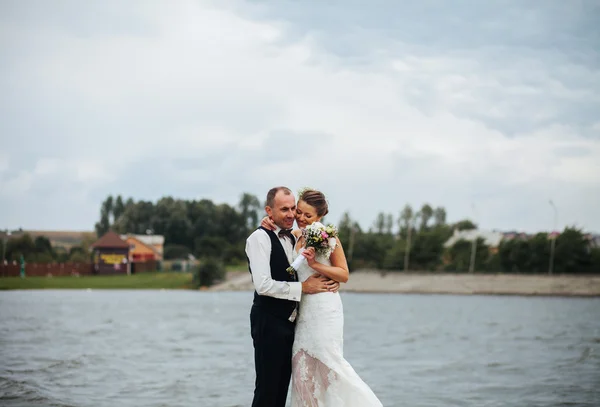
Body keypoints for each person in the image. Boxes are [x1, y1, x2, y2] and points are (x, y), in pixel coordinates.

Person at [261, 188, 383, 406]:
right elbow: (279, 231)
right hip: (304, 311)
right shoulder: (296, 236)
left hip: (325, 309)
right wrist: (267, 222)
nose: (301, 219)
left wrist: (315, 265)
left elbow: (343, 274)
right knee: (302, 373)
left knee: (329, 367)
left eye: (308, 216)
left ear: (319, 217)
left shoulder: (326, 236)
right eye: (299, 212)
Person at [245, 186, 340, 407]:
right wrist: (303, 288)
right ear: (269, 210)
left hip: (291, 325)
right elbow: (263, 286)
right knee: (267, 391)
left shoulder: (294, 236)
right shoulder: (259, 238)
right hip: (268, 322)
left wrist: (328, 278)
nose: (290, 214)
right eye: (284, 209)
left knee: (281, 391)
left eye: (293, 209)